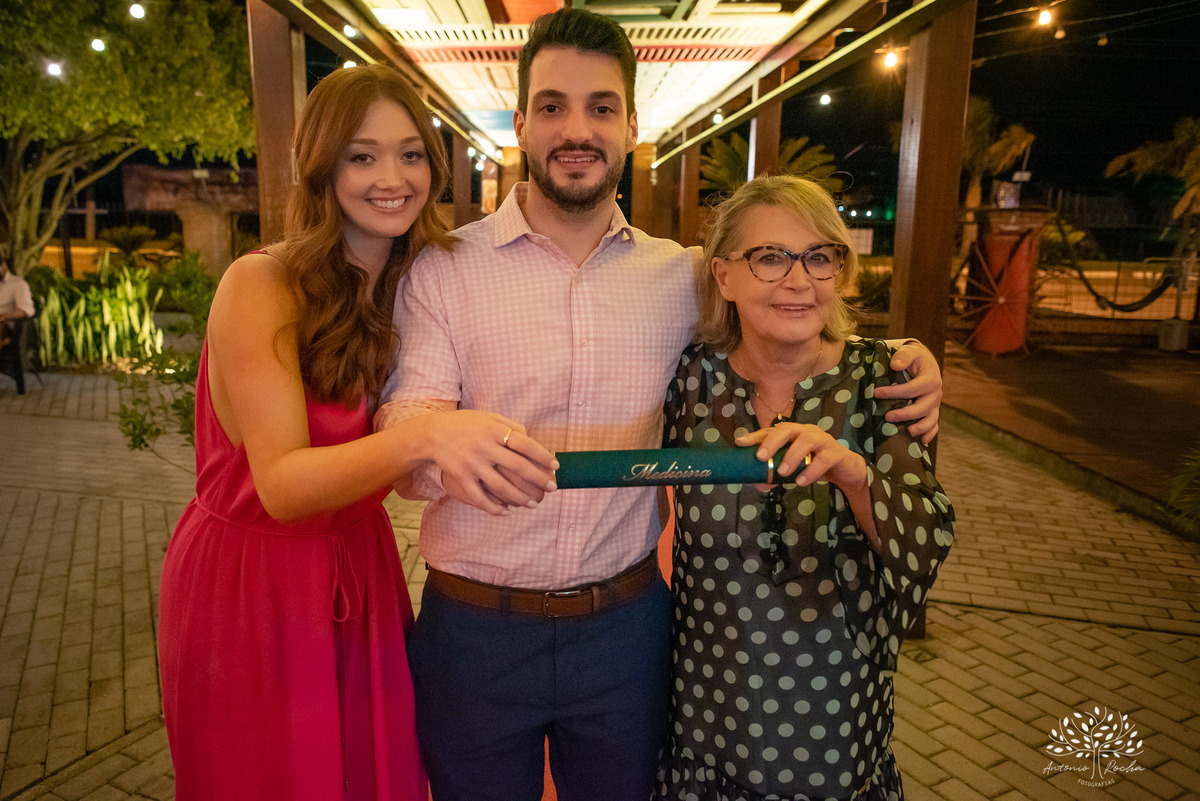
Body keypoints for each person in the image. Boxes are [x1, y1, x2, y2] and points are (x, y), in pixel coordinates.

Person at [376, 9, 942, 800]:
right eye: (553, 106)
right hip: (475, 628)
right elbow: (405, 439)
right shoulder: (445, 269)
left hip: (626, 630)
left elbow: (785, 309)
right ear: (522, 124)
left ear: (632, 126)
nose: (578, 129)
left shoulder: (681, 277)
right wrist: (438, 439)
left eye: (601, 107)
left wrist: (905, 357)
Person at [156, 64, 555, 801]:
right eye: (361, 156)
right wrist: (429, 436)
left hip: (361, 570)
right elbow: (281, 486)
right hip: (253, 581)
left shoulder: (415, 280)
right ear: (321, 167)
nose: (391, 178)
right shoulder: (262, 283)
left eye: (410, 154)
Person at [655, 175, 955, 801]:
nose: (799, 280)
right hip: (709, 708)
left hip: (835, 716)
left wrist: (852, 473)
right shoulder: (690, 378)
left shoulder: (881, 379)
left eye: (820, 256)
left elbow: (925, 545)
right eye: (770, 257)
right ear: (723, 276)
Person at [0, 256, 35, 346]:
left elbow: (25, 310)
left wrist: (4, 317)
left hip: (7, 328)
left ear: (3, 265)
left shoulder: (17, 284)